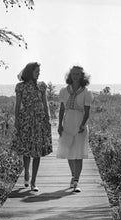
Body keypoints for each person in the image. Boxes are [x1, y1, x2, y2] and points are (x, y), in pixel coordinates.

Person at [12, 62, 52, 192]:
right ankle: (26, 174)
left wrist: (48, 119)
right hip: (26, 121)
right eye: (37, 71)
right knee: (26, 150)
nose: (39, 73)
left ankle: (34, 181)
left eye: (39, 71)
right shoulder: (20, 87)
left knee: (38, 152)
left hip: (39, 121)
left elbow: (45, 104)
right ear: (30, 72)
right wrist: (16, 121)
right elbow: (17, 106)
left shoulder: (41, 86)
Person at [57, 65, 92, 192]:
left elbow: (87, 112)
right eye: (73, 74)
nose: (75, 76)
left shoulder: (86, 92)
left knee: (79, 154)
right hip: (68, 123)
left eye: (78, 74)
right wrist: (59, 124)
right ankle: (73, 176)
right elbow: (61, 109)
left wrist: (83, 125)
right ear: (70, 76)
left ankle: (76, 181)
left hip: (80, 123)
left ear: (82, 76)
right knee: (70, 153)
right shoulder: (64, 91)